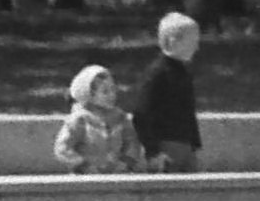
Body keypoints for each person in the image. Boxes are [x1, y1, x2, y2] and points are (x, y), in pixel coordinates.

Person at [131, 12, 203, 173]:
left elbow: (187, 111)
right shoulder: (157, 74)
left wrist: (194, 143)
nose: (197, 47)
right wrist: (153, 151)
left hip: (185, 144)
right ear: (173, 41)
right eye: (192, 41)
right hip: (166, 146)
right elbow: (141, 114)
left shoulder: (183, 72)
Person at [52, 65, 143, 175]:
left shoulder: (120, 118)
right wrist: (82, 165)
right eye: (105, 92)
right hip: (85, 178)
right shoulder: (80, 120)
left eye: (113, 90)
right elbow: (63, 148)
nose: (111, 95)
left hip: (118, 175)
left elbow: (132, 142)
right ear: (90, 95)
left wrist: (126, 162)